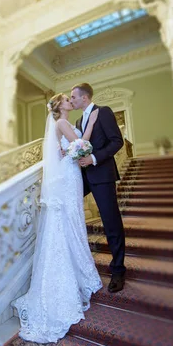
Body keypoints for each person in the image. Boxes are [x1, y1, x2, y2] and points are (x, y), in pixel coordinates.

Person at [12, 93, 102, 343]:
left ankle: (77, 270)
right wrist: (92, 124)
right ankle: (71, 278)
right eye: (66, 99)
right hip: (68, 175)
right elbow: (81, 145)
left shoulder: (60, 123)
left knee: (70, 221)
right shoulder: (61, 122)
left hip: (68, 173)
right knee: (69, 221)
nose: (70, 101)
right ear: (59, 106)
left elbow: (68, 148)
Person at [70, 82, 126, 293]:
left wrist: (93, 158)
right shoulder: (77, 120)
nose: (71, 100)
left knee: (111, 222)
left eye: (73, 97)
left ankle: (118, 269)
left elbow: (116, 141)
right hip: (82, 177)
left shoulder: (103, 112)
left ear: (84, 98)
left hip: (102, 174)